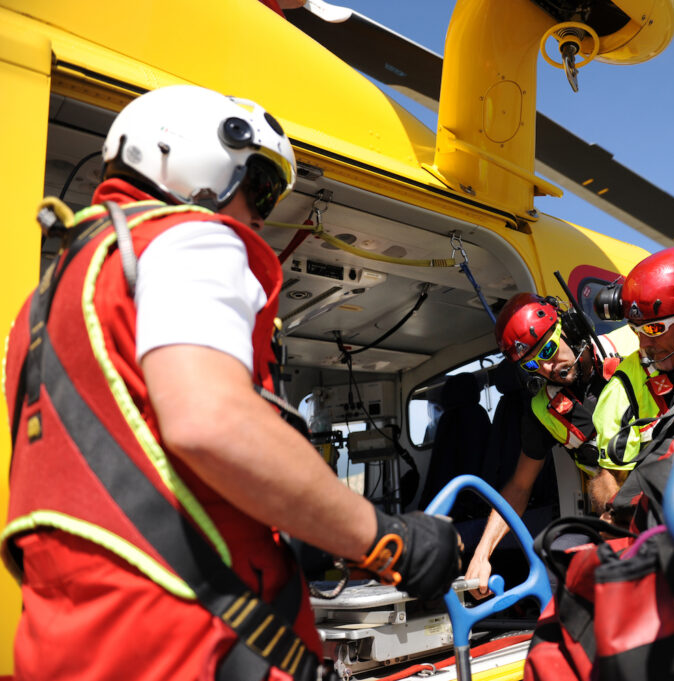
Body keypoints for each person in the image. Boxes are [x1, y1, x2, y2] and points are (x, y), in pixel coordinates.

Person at [2, 85, 460, 681]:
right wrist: (387, 537)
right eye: (260, 187)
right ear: (191, 159)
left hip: (64, 643)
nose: (261, 215)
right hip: (190, 641)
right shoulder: (189, 236)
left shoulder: (44, 304)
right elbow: (210, 422)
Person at [465, 292, 636, 597]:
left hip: (665, 492)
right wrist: (482, 555)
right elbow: (519, 487)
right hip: (616, 516)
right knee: (557, 558)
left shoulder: (633, 345)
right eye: (531, 365)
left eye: (548, 349)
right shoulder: (543, 413)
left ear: (569, 327)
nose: (546, 368)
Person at [591, 247, 674, 487]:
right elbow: (609, 481)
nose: (644, 344)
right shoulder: (623, 390)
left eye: (653, 329)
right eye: (635, 330)